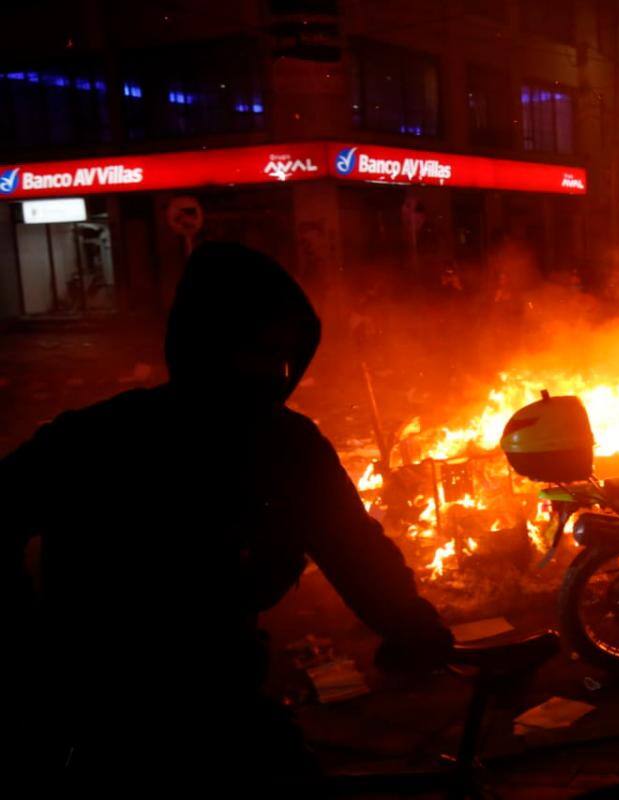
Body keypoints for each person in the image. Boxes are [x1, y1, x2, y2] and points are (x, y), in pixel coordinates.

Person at [2, 242, 454, 793]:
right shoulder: (99, 439)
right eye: (251, 352)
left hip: (213, 695)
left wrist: (410, 626)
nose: (268, 372)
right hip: (105, 715)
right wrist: (28, 646)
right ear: (202, 347)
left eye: (281, 356)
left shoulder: (289, 446)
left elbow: (354, 550)